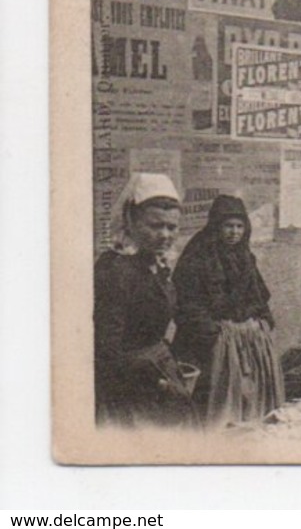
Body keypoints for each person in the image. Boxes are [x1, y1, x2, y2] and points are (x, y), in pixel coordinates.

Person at [171, 194, 283, 427]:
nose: (234, 232)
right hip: (212, 343)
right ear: (216, 227)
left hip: (248, 342)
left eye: (239, 226)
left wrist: (263, 318)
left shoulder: (244, 255)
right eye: (228, 226)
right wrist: (212, 333)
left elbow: (258, 293)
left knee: (250, 395)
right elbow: (187, 300)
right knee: (214, 402)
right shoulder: (197, 256)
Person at [94, 174, 194, 427]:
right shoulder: (116, 270)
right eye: (155, 225)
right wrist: (155, 382)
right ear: (131, 224)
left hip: (159, 370)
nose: (164, 235)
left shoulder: (155, 263)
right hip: (131, 385)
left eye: (172, 227)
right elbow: (107, 349)